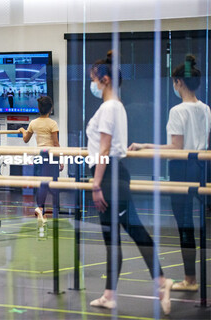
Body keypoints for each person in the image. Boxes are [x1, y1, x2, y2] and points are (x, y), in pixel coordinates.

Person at [86, 51, 172, 314]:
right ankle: (109, 295)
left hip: (110, 176)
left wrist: (97, 184)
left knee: (134, 232)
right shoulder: (114, 106)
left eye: (94, 79)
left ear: (106, 80)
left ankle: (161, 281)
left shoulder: (111, 107)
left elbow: (105, 148)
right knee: (114, 238)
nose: (93, 84)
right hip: (111, 174)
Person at [129, 55, 211, 292]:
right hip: (202, 166)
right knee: (196, 225)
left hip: (181, 168)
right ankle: (191, 280)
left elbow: (176, 148)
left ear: (178, 83)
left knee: (185, 226)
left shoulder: (178, 111)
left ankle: (190, 280)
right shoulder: (206, 109)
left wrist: (145, 146)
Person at [18, 96, 63, 225]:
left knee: (43, 182)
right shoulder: (52, 124)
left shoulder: (33, 123)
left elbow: (26, 139)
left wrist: (22, 130)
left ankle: (42, 208)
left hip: (40, 155)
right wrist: (61, 158)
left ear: (39, 108)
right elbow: (55, 143)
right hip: (51, 155)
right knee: (51, 183)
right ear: (51, 108)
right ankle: (42, 208)